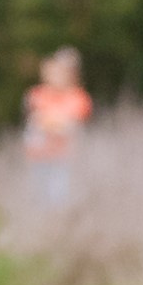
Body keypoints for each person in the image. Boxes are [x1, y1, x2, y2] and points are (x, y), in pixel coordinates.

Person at [22, 47, 91, 206]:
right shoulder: (36, 94)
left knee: (58, 198)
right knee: (38, 197)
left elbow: (71, 126)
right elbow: (32, 121)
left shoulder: (79, 97)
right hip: (38, 155)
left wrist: (48, 123)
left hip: (63, 158)